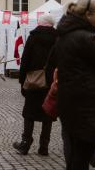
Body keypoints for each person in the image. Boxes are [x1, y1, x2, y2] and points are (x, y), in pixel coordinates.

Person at [52, 0, 95, 170]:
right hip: (87, 107)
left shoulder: (64, 36)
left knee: (77, 156)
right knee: (80, 158)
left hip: (70, 104)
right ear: (88, 14)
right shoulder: (87, 39)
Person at [12, 14, 58, 156]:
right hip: (51, 82)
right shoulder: (58, 38)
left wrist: (22, 82)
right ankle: (43, 147)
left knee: (29, 113)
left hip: (33, 82)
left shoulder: (33, 37)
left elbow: (25, 60)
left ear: (40, 23)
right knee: (48, 113)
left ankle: (25, 143)